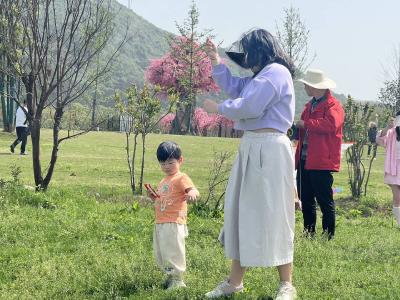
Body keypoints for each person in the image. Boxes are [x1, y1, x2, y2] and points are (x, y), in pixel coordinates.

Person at [203, 29, 299, 300]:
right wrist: (215, 61)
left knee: (275, 212)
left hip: (269, 146)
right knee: (242, 211)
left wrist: (218, 108)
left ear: (258, 50)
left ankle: (286, 284)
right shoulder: (263, 75)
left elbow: (250, 106)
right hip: (253, 145)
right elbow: (238, 87)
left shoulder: (276, 73)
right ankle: (235, 282)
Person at [295, 69, 345, 240]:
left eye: (306, 84)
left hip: (321, 161)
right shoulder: (310, 105)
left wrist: (305, 124)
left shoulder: (334, 106)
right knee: (306, 198)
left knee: (324, 200)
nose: (304, 87)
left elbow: (331, 124)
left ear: (314, 86)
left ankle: (328, 234)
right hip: (305, 159)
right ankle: (309, 232)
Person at [148, 141, 199, 289]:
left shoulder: (181, 177)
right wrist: (153, 196)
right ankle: (170, 277)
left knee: (174, 250)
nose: (166, 166)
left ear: (180, 160)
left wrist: (192, 193)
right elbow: (162, 198)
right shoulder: (164, 179)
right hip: (161, 221)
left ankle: (178, 279)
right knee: (163, 251)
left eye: (170, 162)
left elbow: (193, 189)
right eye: (162, 163)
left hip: (174, 221)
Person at [376, 114, 400, 226]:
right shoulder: (392, 132)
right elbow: (379, 139)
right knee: (397, 198)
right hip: (393, 169)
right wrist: (388, 127)